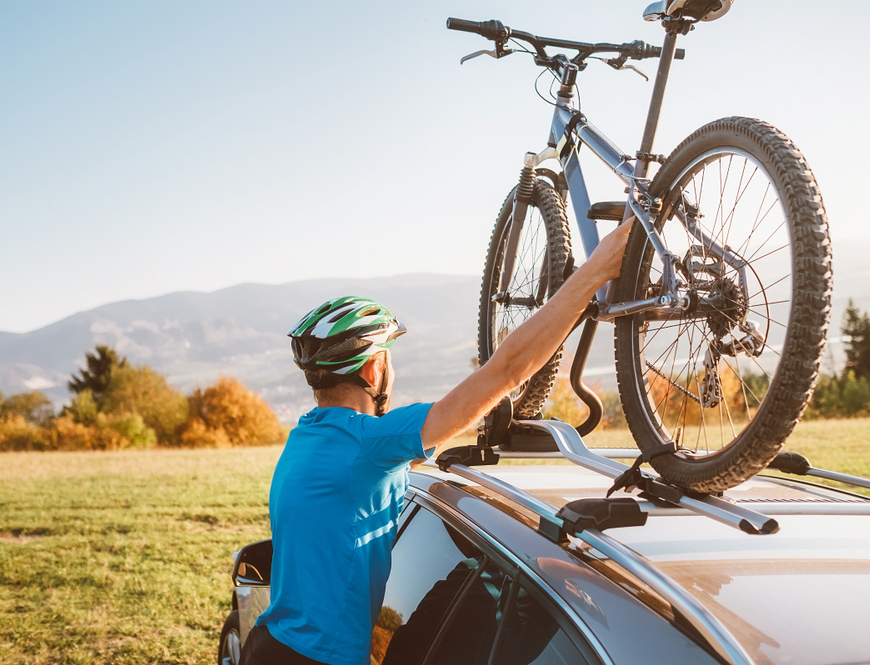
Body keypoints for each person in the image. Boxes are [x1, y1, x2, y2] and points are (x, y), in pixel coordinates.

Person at [241, 218, 633, 665]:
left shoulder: (308, 439)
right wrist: (595, 271)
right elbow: (506, 369)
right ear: (373, 371)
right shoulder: (367, 445)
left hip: (271, 645)